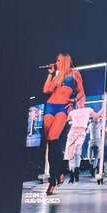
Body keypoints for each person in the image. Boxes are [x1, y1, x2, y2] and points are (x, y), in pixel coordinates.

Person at [42, 54, 84, 196]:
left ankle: (55, 178)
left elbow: (82, 92)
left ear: (65, 61)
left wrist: (73, 101)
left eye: (58, 60)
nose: (56, 62)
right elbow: (46, 90)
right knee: (50, 143)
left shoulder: (74, 73)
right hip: (50, 106)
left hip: (62, 108)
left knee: (53, 138)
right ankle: (56, 175)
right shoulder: (57, 75)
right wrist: (50, 74)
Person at [64, 99, 98, 183]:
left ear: (84, 100)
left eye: (81, 100)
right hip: (72, 132)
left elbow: (96, 115)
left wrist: (104, 108)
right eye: (78, 100)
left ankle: (76, 171)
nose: (79, 102)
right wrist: (67, 110)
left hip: (81, 132)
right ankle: (72, 173)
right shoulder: (73, 112)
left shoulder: (88, 110)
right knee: (70, 153)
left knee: (77, 151)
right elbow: (65, 119)